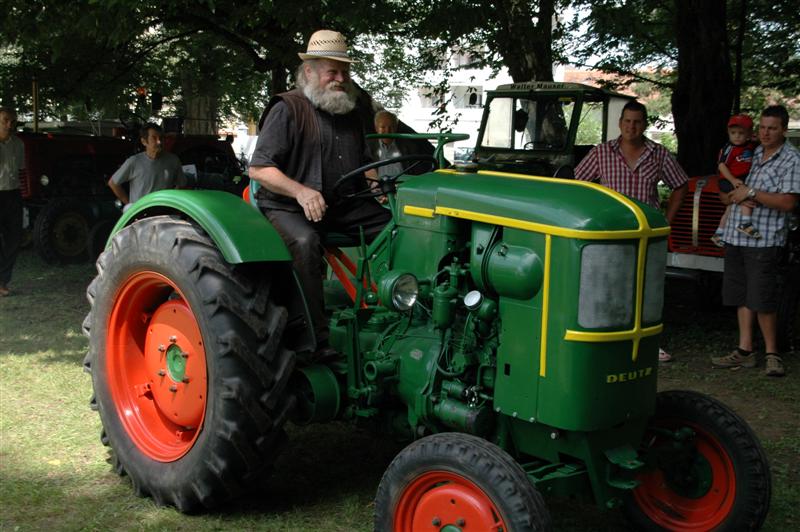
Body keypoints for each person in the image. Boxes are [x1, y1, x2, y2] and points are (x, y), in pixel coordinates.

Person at [248, 29, 391, 359]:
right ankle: (312, 340)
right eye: (333, 71)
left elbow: (367, 163)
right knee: (304, 242)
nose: (340, 79)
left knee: (398, 227)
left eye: (345, 71)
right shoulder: (288, 108)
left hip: (344, 204)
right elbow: (258, 169)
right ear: (310, 71)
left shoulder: (354, 111)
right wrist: (300, 192)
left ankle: (399, 311)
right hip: (288, 206)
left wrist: (379, 192)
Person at [574, 100, 689, 364]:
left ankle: (651, 343)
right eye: (627, 121)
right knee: (611, 285)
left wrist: (666, 221)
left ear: (644, 124)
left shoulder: (658, 154)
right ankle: (610, 339)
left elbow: (681, 185)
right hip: (612, 233)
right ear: (620, 123)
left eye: (637, 122)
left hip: (647, 232)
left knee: (647, 288)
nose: (631, 127)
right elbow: (578, 184)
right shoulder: (601, 152)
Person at [711, 105, 800, 377]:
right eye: (762, 127)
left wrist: (751, 192)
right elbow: (727, 191)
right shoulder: (751, 151)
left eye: (772, 128)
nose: (765, 132)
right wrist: (729, 196)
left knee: (763, 296)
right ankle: (745, 349)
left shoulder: (792, 159)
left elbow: (788, 202)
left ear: (784, 129)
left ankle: (773, 353)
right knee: (741, 295)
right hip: (737, 234)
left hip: (764, 238)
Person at [108, 123, 186, 210]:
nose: (159, 142)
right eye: (154, 138)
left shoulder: (173, 160)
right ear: (144, 141)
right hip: (140, 213)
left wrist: (171, 202)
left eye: (161, 138)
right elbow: (113, 183)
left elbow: (181, 184)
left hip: (164, 212)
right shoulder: (134, 161)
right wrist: (130, 205)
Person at [711, 115, 758, 246]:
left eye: (741, 133)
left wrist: (755, 138)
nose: (736, 136)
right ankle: (746, 223)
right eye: (733, 133)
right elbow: (721, 165)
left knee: (730, 208)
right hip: (727, 179)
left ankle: (719, 233)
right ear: (728, 133)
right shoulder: (729, 148)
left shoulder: (751, 146)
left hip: (741, 178)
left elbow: (759, 143)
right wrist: (732, 180)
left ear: (749, 134)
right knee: (745, 199)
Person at [0, 107, 25, 297]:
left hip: (13, 195)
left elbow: (21, 171)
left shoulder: (18, 144)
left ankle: (3, 281)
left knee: (14, 239)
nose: (9, 125)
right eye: (5, 120)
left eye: (12, 121)